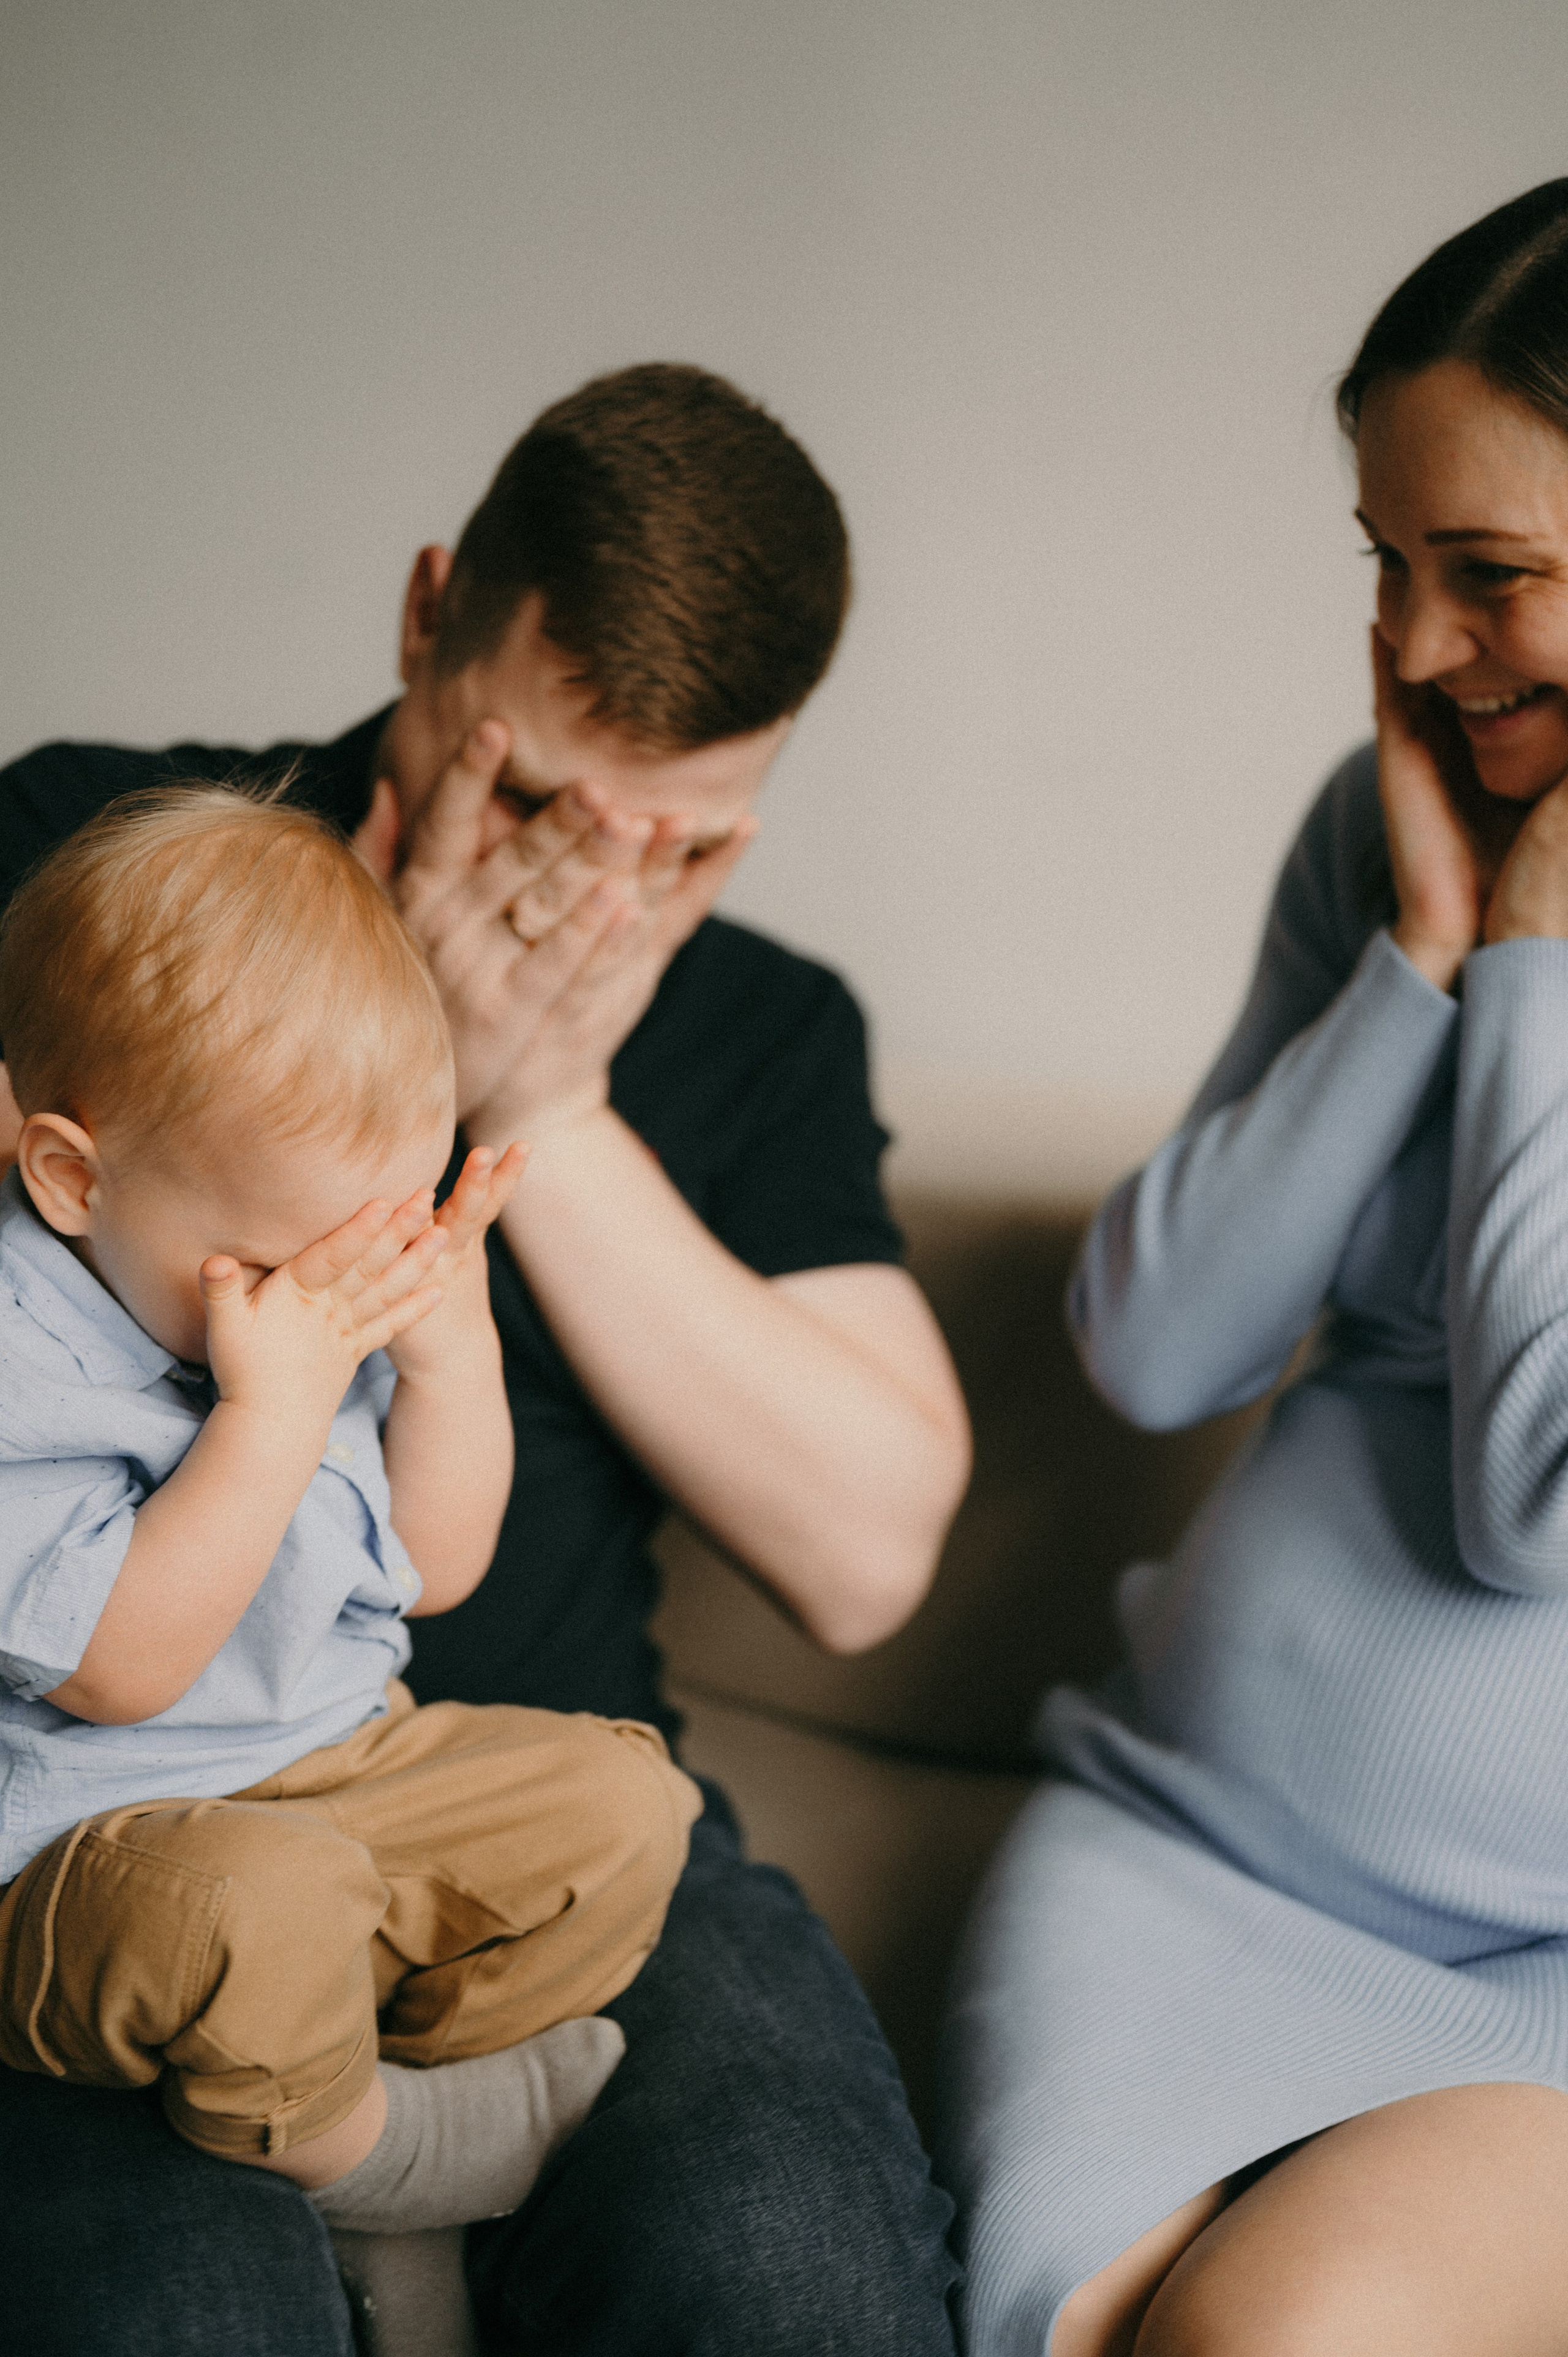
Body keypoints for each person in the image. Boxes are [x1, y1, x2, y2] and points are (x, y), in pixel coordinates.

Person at [0, 363, 972, 2355]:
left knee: (796, 2283)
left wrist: (539, 1099)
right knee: (174, 2309)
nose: (590, 894)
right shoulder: (98, 864)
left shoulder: (766, 1029)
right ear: (432, 616)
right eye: (532, 798)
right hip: (109, 1816)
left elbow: (870, 1556)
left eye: (684, 850)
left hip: (474, 1780)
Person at [942, 180, 1568, 2357]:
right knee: (1087, 2323)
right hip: (1186, 1853)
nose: (1409, 647)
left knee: (1266, 2335)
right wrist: (1417, 949)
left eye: (1486, 575)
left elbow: (1536, 1504)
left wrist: (1543, 979)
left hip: (1545, 1959)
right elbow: (1158, 1338)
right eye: (1386, 569)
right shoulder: (1379, 828)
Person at [0, 786, 699, 2252]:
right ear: (73, 1179)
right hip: (84, 1861)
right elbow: (119, 1671)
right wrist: (273, 1412)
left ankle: (356, 2042)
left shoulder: (301, 1282)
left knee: (626, 1804)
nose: (337, 1305)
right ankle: (369, 2162)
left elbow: (437, 1569)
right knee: (249, 1905)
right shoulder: (22, 1362)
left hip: (334, 1773)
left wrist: (452, 1351)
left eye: (373, 1245)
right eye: (272, 1265)